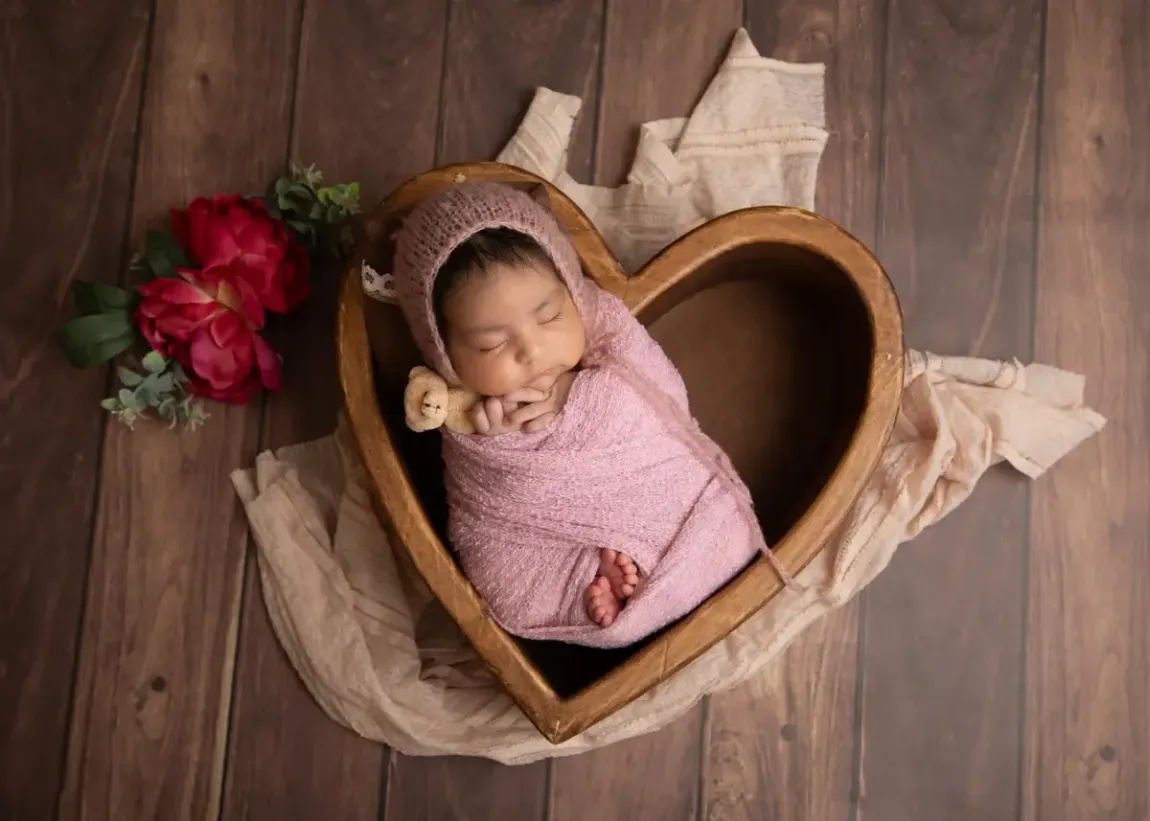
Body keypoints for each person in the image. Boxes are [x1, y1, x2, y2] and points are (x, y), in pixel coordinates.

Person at [392, 181, 771, 648]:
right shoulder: (463, 412)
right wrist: (497, 446)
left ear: (571, 292)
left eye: (549, 316)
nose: (532, 350)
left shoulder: (606, 331)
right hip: (535, 535)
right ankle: (599, 582)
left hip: (643, 482)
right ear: (445, 354)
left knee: (709, 519)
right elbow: (480, 504)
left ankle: (646, 561)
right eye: (492, 343)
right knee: (506, 589)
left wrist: (582, 394)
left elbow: (662, 397)